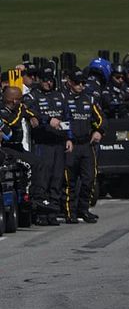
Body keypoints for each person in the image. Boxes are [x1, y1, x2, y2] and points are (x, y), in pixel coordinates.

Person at [22, 67, 69, 224]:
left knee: (57, 178)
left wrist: (69, 138)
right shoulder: (31, 96)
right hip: (42, 143)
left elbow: (68, 117)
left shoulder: (60, 95)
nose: (48, 83)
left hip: (58, 143)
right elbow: (31, 112)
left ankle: (53, 211)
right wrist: (48, 119)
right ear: (39, 80)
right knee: (42, 178)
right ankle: (41, 213)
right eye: (45, 80)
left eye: (50, 80)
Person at [63, 68, 104, 223]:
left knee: (89, 178)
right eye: (77, 82)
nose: (81, 85)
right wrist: (67, 138)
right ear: (70, 82)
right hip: (70, 145)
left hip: (87, 145)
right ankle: (69, 212)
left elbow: (101, 119)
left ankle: (84, 209)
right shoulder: (64, 99)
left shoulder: (89, 100)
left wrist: (99, 131)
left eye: (83, 83)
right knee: (69, 181)